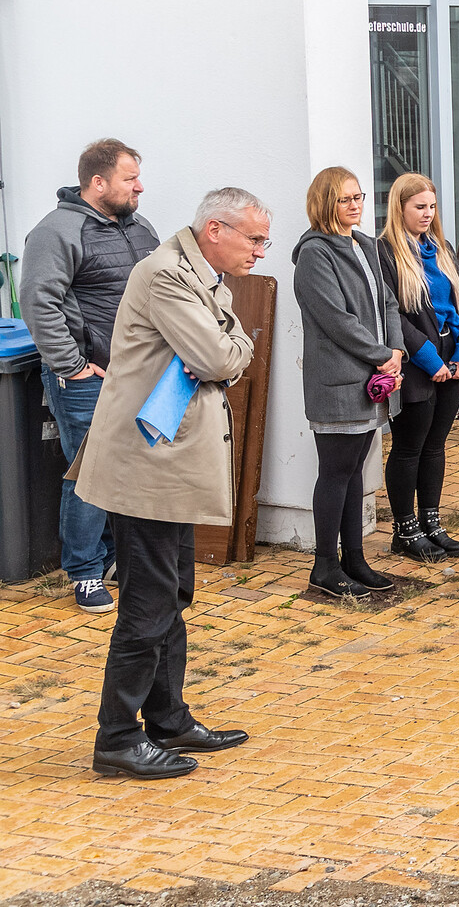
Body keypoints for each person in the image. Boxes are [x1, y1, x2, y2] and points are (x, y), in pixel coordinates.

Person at [76, 187, 265, 780]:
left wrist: (230, 345)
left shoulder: (199, 274)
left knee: (172, 594)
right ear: (216, 228)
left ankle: (168, 718)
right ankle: (116, 737)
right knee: (147, 602)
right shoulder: (166, 275)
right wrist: (233, 345)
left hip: (166, 465)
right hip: (146, 468)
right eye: (254, 238)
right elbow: (220, 359)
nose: (262, 249)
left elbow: (228, 346)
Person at [21, 138, 158, 613]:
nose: (140, 186)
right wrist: (72, 366)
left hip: (137, 372)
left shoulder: (140, 228)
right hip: (87, 376)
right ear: (97, 183)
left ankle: (118, 558)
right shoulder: (57, 231)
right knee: (89, 471)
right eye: (129, 178)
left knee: (130, 468)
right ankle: (84, 572)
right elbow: (39, 302)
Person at [294, 167, 405, 597]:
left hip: (374, 376)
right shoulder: (314, 254)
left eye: (359, 196)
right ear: (325, 203)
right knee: (335, 471)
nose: (356, 204)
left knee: (357, 469)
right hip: (340, 382)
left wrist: (396, 352)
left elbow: (389, 302)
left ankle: (354, 558)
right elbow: (336, 321)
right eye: (345, 199)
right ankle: (324, 566)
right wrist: (383, 356)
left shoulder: (366, 245)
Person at [377, 173, 459, 564]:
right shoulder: (385, 252)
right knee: (408, 446)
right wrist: (430, 360)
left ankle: (431, 522)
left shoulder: (442, 247)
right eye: (419, 207)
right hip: (415, 361)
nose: (427, 214)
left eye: (432, 207)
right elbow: (394, 318)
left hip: (454, 360)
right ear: (399, 207)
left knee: (436, 447)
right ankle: (404, 530)